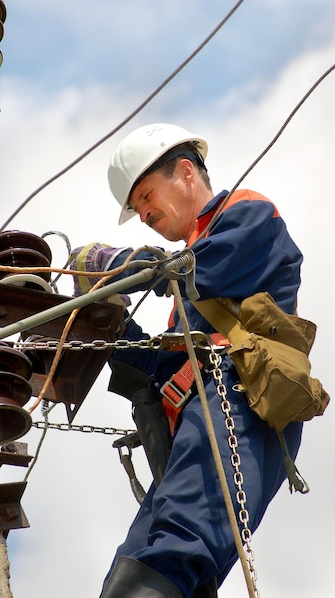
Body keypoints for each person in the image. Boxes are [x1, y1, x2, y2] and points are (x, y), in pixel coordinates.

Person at [71, 123, 304, 597]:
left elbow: (199, 268)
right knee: (134, 566)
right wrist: (110, 324)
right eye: (137, 209)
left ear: (184, 171)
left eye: (146, 196)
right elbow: (165, 368)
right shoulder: (187, 293)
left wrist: (122, 262)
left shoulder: (249, 215)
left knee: (179, 551)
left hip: (236, 401)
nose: (144, 215)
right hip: (194, 421)